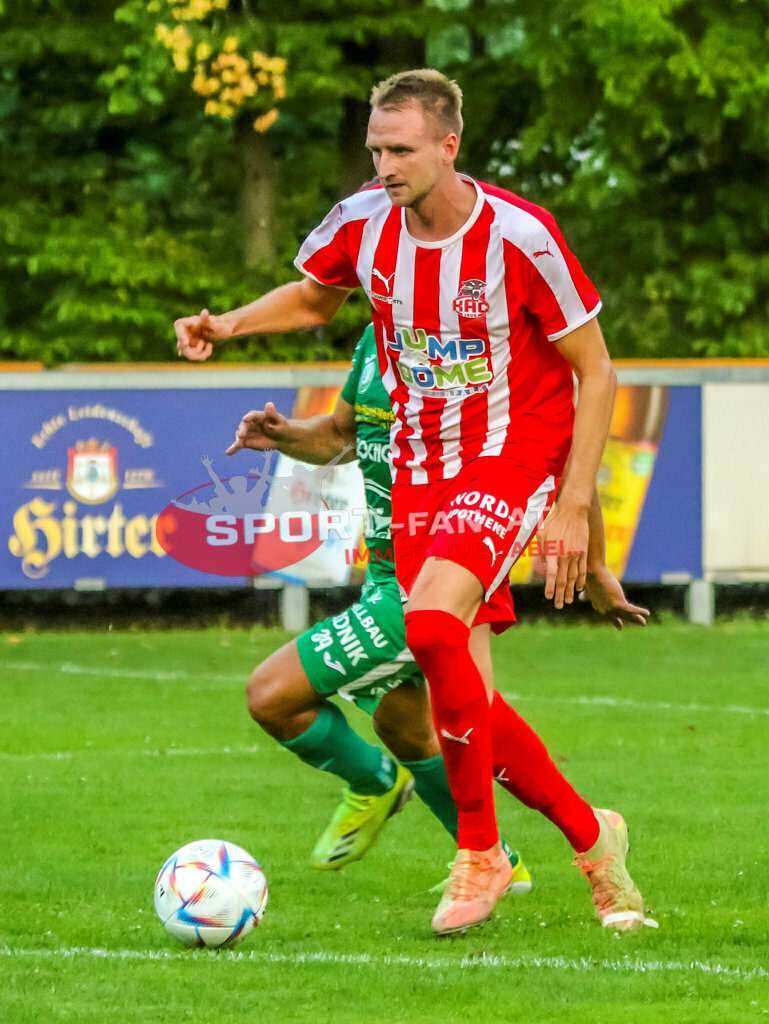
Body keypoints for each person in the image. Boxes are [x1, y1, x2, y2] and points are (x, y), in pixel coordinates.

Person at [175, 68, 652, 935]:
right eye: (375, 149)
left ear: (448, 145)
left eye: (400, 150)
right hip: (423, 466)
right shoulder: (362, 222)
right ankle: (592, 838)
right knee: (444, 692)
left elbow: (596, 366)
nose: (385, 165)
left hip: (512, 451)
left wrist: (575, 502)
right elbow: (317, 296)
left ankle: (479, 854)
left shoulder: (518, 235)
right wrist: (228, 324)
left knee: (429, 628)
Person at [225, 322, 533, 890]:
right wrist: (287, 435)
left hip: (431, 576)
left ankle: (373, 783)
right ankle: (496, 860)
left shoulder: (463, 344)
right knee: (404, 725)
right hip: (385, 573)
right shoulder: (375, 338)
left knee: (270, 696)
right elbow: (343, 434)